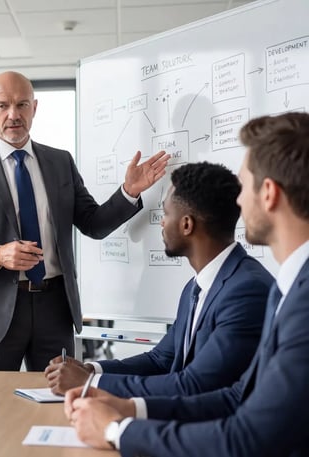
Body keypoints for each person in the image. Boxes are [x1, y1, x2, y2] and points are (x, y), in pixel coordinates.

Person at [66, 112, 309, 456]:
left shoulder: (285, 296)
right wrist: (129, 408)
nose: (239, 202)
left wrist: (115, 430)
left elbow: (247, 437)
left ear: (268, 193)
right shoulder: (287, 288)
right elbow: (238, 396)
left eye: (245, 187)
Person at [0, 70, 170, 371]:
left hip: (55, 308)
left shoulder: (60, 162)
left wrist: (129, 191)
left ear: (34, 108)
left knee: (56, 394)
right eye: (3, 105)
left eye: (22, 104)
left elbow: (93, 224)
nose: (13, 114)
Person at [45, 162, 272, 397]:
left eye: (166, 214)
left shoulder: (245, 291)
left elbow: (194, 386)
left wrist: (90, 383)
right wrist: (91, 369)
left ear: (186, 224)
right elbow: (161, 359)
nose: (162, 223)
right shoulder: (195, 287)